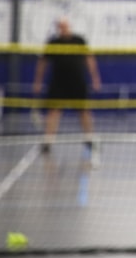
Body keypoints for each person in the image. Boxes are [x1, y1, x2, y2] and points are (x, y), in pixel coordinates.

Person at [32, 17, 101, 163]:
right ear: (58, 28)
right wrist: (37, 82)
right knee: (53, 112)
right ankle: (48, 141)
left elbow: (89, 58)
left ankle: (89, 138)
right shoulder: (53, 42)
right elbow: (42, 62)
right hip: (58, 83)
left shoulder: (79, 40)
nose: (64, 29)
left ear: (70, 26)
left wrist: (95, 78)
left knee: (84, 111)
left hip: (77, 82)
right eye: (61, 27)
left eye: (66, 26)